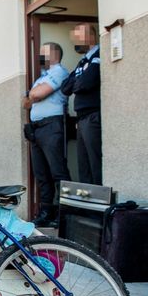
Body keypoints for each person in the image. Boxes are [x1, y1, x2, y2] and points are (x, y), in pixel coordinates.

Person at [24, 42, 71, 227]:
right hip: (37, 128)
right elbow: (26, 102)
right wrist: (32, 94)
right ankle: (46, 212)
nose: (39, 57)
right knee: (41, 174)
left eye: (42, 53)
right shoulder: (42, 77)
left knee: (57, 171)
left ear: (53, 54)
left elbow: (36, 95)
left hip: (52, 125)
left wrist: (33, 94)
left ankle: (65, 213)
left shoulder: (59, 72)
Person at [62, 23, 102, 185]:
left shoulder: (98, 54)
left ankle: (101, 207)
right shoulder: (82, 62)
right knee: (83, 165)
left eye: (78, 38)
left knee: (95, 163)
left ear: (90, 36)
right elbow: (65, 88)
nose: (75, 42)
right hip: (81, 119)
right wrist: (78, 82)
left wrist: (77, 83)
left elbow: (86, 83)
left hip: (93, 116)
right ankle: (88, 209)